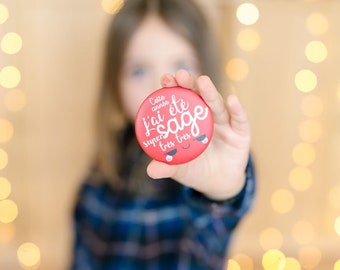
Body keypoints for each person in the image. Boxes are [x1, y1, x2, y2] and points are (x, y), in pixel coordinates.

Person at [71, 0, 255, 269]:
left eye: (182, 64)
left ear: (206, 72)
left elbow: (217, 225)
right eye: (139, 70)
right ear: (115, 86)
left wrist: (223, 191)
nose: (160, 85)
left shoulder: (213, 163)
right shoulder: (104, 166)